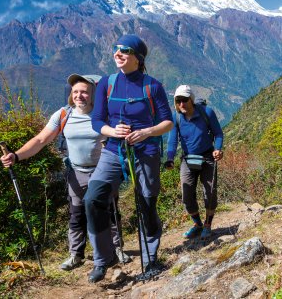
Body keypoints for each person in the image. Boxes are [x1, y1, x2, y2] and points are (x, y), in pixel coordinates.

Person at [0, 73, 131, 271]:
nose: (79, 96)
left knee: (108, 211)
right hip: (75, 172)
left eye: (84, 92)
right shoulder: (63, 114)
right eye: (75, 91)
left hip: (102, 171)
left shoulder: (104, 115)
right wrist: (16, 156)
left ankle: (116, 249)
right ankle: (76, 254)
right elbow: (40, 140)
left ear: (94, 94)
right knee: (76, 213)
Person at [84, 34, 173, 283]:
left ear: (138, 58)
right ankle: (104, 259)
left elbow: (168, 122)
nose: (118, 53)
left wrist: (146, 132)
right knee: (93, 199)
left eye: (125, 50)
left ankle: (151, 258)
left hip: (146, 152)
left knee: (147, 203)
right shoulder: (106, 83)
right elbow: (97, 120)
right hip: (113, 150)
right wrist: (113, 131)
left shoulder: (152, 86)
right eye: (116, 48)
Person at [165, 85, 224, 240]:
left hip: (207, 157)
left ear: (191, 100)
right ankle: (197, 224)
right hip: (188, 159)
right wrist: (170, 158)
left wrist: (217, 149)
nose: (181, 104)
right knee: (186, 195)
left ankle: (207, 225)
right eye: (178, 101)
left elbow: (218, 134)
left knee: (210, 193)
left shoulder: (207, 113)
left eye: (184, 100)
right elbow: (172, 140)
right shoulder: (177, 117)